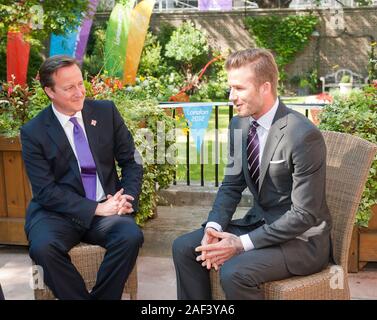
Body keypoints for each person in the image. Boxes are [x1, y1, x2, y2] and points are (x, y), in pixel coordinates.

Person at [172, 48, 331, 300]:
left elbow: (304, 214)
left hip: (301, 240)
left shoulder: (302, 135)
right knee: (184, 247)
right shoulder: (240, 123)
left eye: (239, 88)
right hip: (259, 223)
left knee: (235, 271)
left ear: (265, 87)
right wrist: (214, 227)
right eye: (230, 88)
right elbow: (232, 184)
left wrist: (241, 242)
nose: (231, 96)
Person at [20, 55, 143, 300]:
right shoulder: (33, 132)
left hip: (107, 205)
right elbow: (45, 192)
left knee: (130, 236)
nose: (79, 92)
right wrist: (97, 209)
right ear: (50, 91)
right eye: (69, 88)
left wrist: (126, 197)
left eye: (80, 83)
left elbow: (132, 161)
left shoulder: (106, 112)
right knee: (42, 248)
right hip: (56, 213)